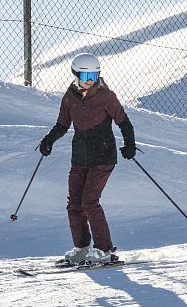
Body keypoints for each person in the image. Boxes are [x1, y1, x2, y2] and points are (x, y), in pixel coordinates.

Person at [38, 53, 136, 264]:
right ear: (75, 75)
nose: (90, 80)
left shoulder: (106, 96)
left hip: (103, 157)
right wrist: (49, 140)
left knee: (89, 201)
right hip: (80, 158)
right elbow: (63, 124)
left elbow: (124, 122)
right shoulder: (70, 97)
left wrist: (130, 144)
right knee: (74, 204)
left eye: (94, 74)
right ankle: (82, 247)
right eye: (85, 75)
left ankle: (104, 250)